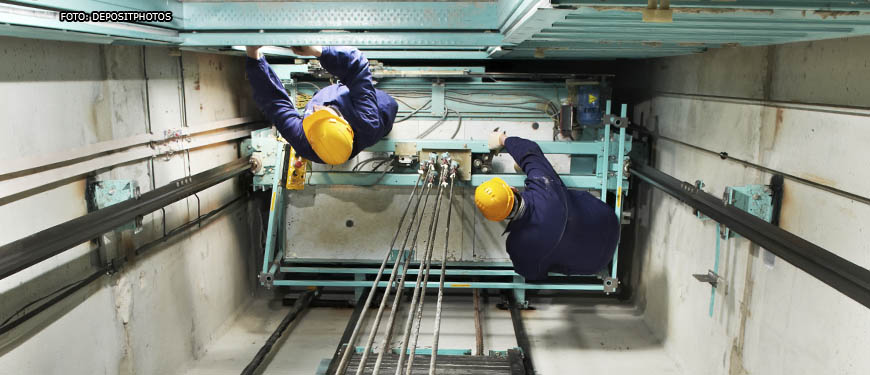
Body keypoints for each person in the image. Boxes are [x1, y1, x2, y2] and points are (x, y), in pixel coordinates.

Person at [474, 131, 620, 280]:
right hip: (608, 219)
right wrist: (502, 139)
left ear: (498, 218)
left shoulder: (517, 246)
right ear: (512, 189)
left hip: (596, 262)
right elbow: (529, 150)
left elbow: (531, 274)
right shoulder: (543, 185)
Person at [245, 45, 398, 165]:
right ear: (345, 123)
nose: (316, 109)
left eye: (315, 117)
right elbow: (357, 65)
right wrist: (320, 51)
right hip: (382, 108)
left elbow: (275, 103)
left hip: (343, 112)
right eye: (324, 114)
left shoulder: (304, 141)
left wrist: (253, 54)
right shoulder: (367, 119)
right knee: (370, 96)